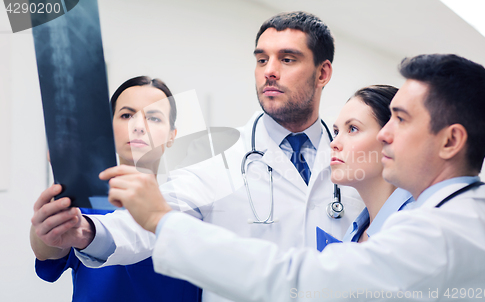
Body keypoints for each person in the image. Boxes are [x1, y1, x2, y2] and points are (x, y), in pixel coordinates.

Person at [105, 54, 485, 301]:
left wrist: (161, 220)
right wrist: (93, 231)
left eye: (401, 119)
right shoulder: (442, 217)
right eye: (261, 59)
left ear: (451, 141)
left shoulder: (444, 232)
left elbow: (298, 281)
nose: (384, 135)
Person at [32, 11, 365, 302]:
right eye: (262, 59)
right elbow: (151, 221)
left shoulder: (362, 161)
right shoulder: (217, 159)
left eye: (287, 59)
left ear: (322, 73)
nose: (270, 71)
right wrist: (89, 231)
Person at [30, 76, 201, 302]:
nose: (138, 126)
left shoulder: (192, 205)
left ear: (172, 135)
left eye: (154, 117)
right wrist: (48, 223)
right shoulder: (84, 202)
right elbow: (48, 252)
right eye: (127, 115)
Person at [317, 85, 414, 250]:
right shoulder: (356, 232)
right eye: (336, 132)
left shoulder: (416, 226)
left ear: (391, 139)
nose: (334, 143)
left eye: (352, 129)